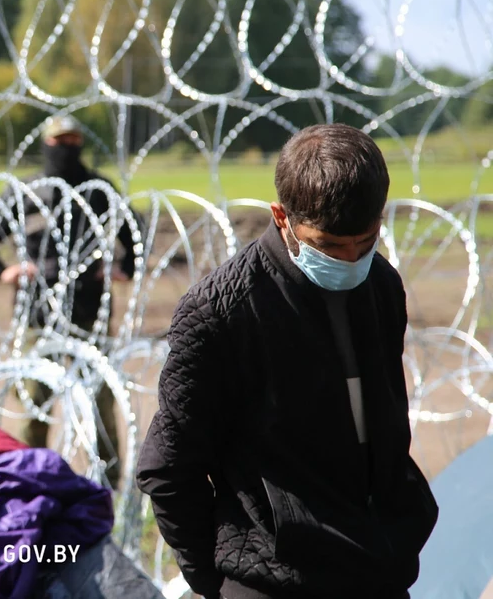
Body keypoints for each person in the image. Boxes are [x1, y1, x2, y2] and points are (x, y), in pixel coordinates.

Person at [135, 124, 439, 599]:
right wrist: (212, 583)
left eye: (365, 240)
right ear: (281, 217)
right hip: (272, 579)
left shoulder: (381, 285)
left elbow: (381, 427)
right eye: (329, 246)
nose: (351, 259)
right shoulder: (222, 312)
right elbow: (169, 467)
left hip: (378, 567)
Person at [0, 114, 142, 488]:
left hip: (89, 306)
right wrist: (4, 270)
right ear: (46, 144)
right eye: (59, 142)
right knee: (35, 399)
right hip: (37, 309)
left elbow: (134, 229)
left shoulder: (97, 189)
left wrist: (122, 267)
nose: (66, 149)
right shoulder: (31, 190)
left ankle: (108, 480)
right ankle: (31, 478)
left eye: (73, 141)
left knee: (99, 396)